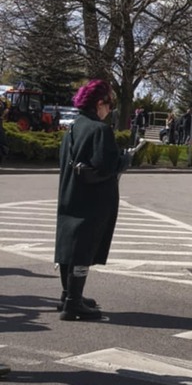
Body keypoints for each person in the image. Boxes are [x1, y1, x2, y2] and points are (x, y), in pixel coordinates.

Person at [54, 78, 130, 320]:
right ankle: (73, 304)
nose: (110, 110)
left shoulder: (74, 126)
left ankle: (68, 295)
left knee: (69, 245)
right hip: (93, 200)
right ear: (99, 103)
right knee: (83, 249)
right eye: (109, 105)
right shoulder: (100, 130)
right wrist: (124, 160)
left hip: (70, 195)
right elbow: (106, 165)